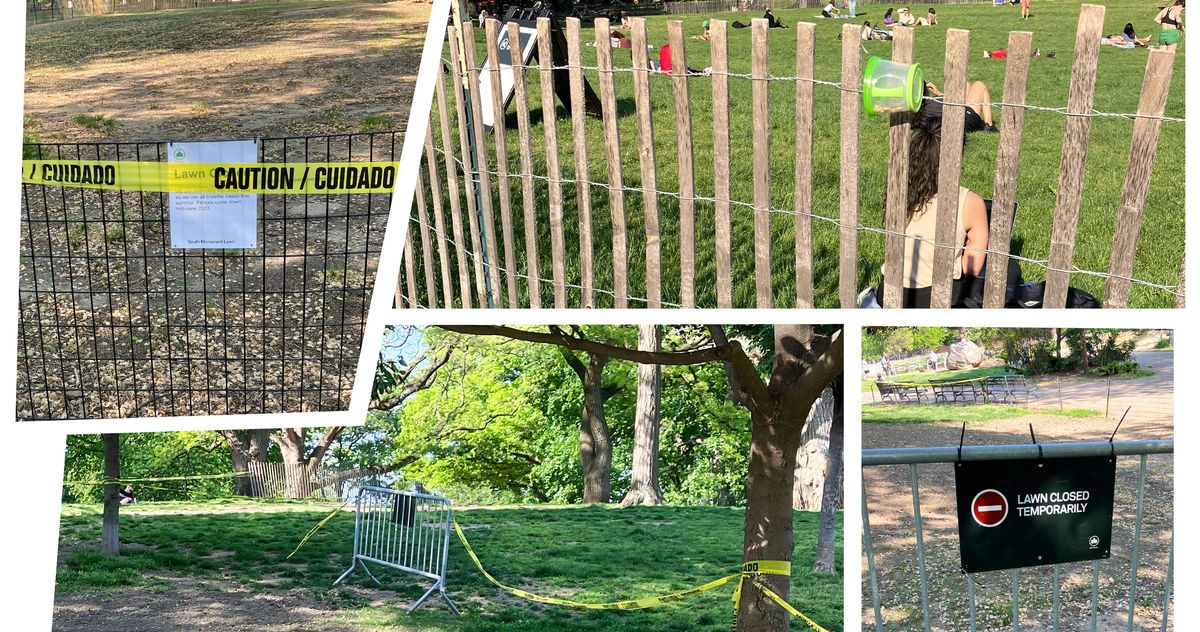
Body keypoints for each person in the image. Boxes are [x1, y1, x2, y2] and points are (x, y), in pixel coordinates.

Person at [879, 99, 990, 308]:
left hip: (888, 291)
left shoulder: (900, 189)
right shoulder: (970, 202)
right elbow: (973, 268)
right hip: (932, 298)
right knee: (1011, 270)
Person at [923, 81, 997, 133]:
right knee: (979, 85)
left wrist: (939, 94)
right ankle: (989, 125)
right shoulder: (930, 103)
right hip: (963, 119)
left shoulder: (921, 108)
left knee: (966, 85)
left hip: (953, 115)